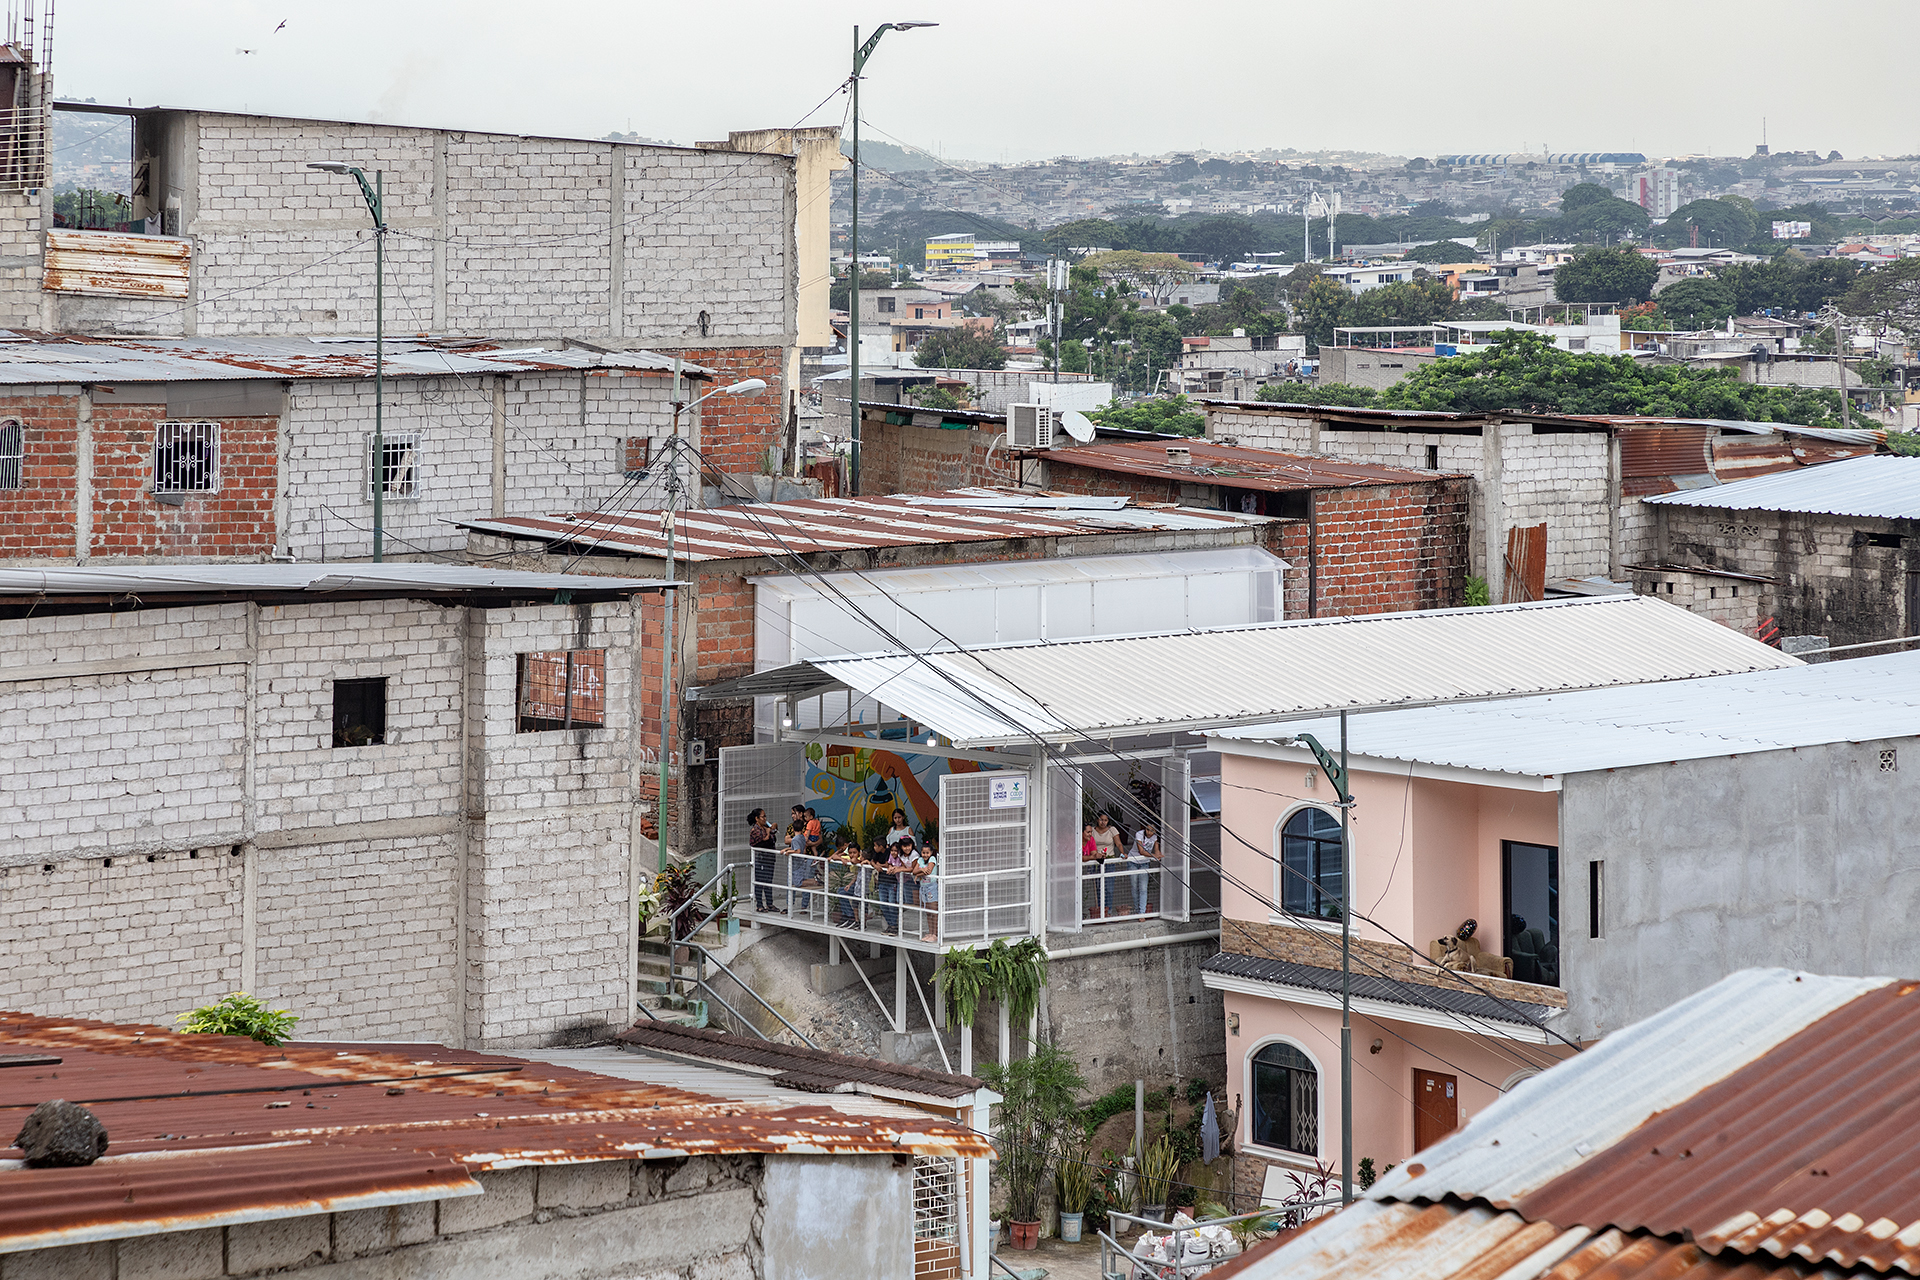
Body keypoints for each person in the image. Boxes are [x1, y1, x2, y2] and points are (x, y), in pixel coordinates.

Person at [1090, 813, 1125, 914]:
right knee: (1099, 888)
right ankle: (1101, 911)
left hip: (1109, 861)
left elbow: (1118, 843)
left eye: (1105, 820)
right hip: (1096, 861)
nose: (1103, 822)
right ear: (1097, 820)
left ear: (1108, 820)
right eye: (1101, 820)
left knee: (1109, 888)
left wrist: (1122, 853)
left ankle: (1108, 911)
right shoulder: (1092, 831)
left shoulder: (1112, 830)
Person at [748, 808, 779, 913]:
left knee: (769, 881)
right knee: (760, 881)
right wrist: (768, 832)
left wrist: (773, 826)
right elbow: (764, 841)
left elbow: (774, 833)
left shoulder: (765, 826)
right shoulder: (755, 830)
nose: (765, 819)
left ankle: (770, 903)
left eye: (765, 816)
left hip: (770, 858)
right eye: (763, 817)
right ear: (757, 818)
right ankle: (759, 904)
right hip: (761, 859)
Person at [1128, 822, 1161, 916]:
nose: (1149, 833)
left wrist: (1158, 855)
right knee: (1134, 887)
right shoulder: (1139, 834)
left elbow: (1156, 849)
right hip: (1133, 861)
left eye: (1152, 831)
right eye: (1147, 830)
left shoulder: (1155, 837)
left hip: (1144, 863)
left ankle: (1142, 912)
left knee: (1143, 888)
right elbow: (1141, 851)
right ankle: (1137, 909)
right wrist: (1154, 856)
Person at [915, 839, 940, 942]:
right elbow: (914, 870)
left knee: (934, 911)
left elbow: (929, 871)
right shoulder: (920, 860)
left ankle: (935, 934)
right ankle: (930, 933)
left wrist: (918, 874)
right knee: (928, 912)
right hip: (923, 888)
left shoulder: (933, 859)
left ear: (931, 853)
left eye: (927, 853)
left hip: (931, 887)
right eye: (923, 853)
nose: (925, 855)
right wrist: (920, 871)